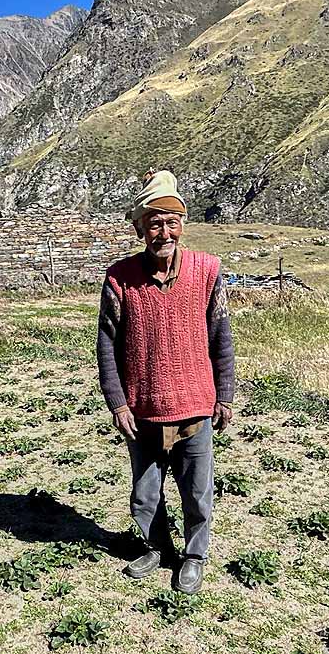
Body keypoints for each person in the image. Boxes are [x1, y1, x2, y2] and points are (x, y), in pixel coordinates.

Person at [96, 169, 234, 594]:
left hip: (195, 403)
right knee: (145, 490)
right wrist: (118, 403)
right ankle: (155, 546)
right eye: (154, 222)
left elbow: (221, 337)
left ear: (182, 225)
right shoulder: (119, 278)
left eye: (171, 221)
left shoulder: (208, 270)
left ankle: (194, 555)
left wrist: (225, 395)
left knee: (197, 490)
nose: (164, 231)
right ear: (140, 229)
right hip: (141, 408)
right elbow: (106, 346)